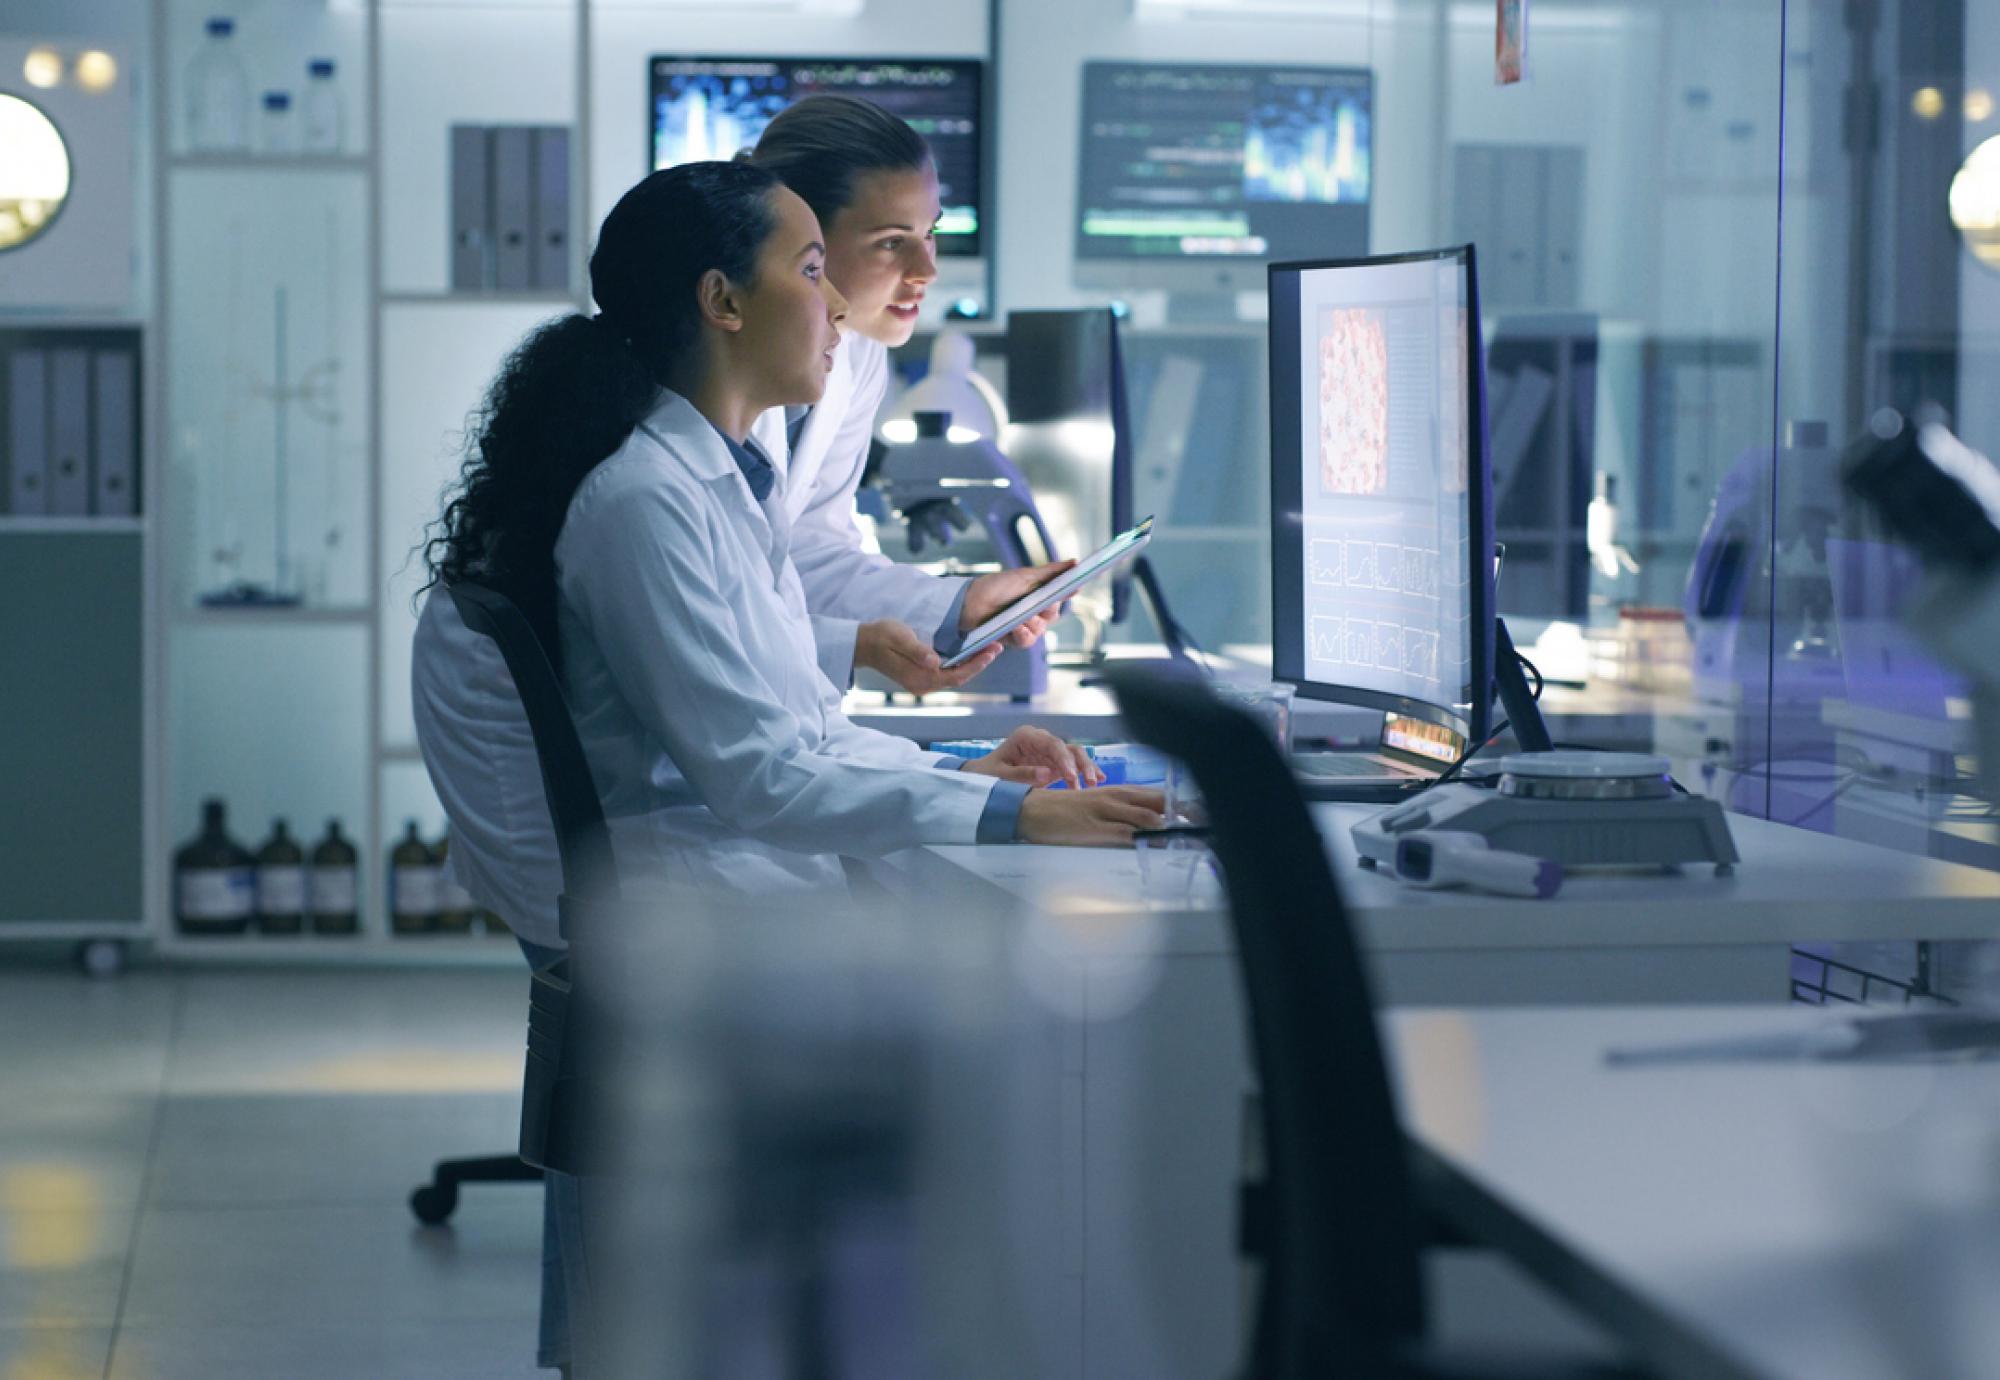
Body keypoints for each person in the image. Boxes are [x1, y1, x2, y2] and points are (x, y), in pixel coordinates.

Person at [411, 161, 1164, 1375]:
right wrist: (1009, 822)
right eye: (812, 270)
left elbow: (795, 726)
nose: (838, 307)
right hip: (703, 906)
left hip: (718, 880)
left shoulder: (713, 482)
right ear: (722, 301)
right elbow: (762, 776)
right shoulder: (645, 503)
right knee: (1053, 1029)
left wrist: (983, 771)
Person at [744, 94, 1066, 695]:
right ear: (799, 239)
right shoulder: (700, 390)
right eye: (893, 242)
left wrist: (959, 603)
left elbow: (808, 552)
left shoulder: (859, 354)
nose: (927, 269)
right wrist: (859, 646)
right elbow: (720, 621)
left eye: (930, 234)